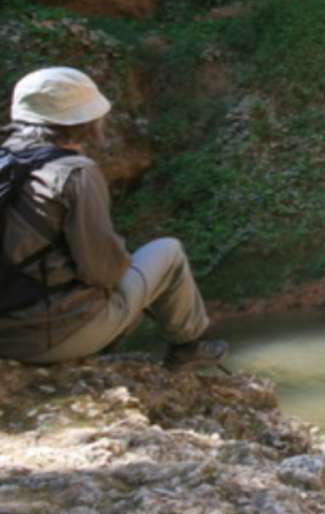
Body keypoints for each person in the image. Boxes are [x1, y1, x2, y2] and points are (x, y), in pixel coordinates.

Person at [0, 66, 227, 368]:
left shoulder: (6, 163)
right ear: (85, 122)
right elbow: (104, 272)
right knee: (169, 252)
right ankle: (190, 347)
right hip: (46, 339)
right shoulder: (74, 173)